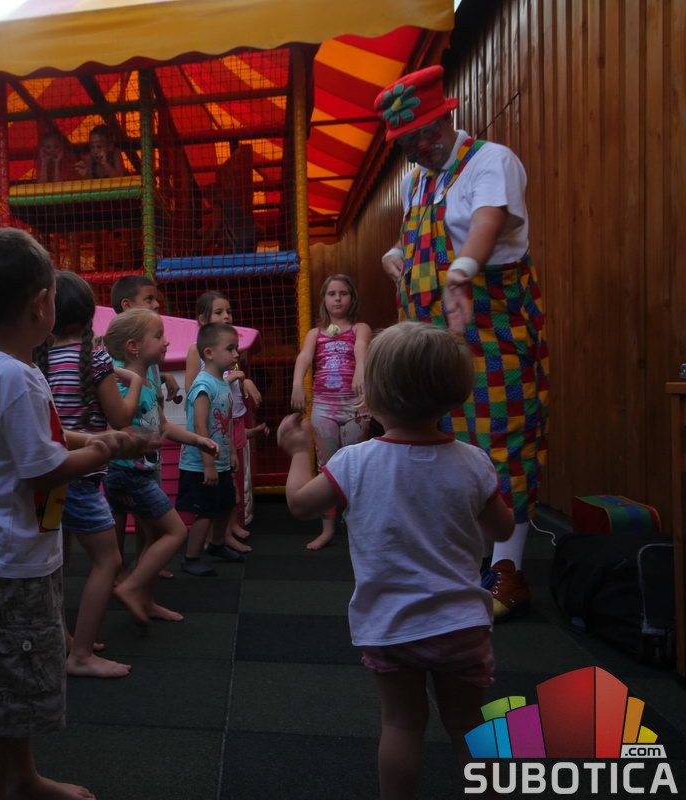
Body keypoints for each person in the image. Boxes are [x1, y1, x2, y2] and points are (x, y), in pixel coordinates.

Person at [278, 321, 514, 800]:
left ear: (374, 395)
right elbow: (503, 530)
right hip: (462, 624)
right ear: (454, 395)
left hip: (391, 625)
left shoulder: (353, 461)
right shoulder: (473, 462)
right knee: (469, 723)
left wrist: (300, 452)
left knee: (402, 724)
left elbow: (300, 504)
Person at [0, 228, 142, 800]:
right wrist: (100, 453)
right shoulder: (14, 377)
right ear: (41, 304)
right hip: (8, 562)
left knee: (16, 686)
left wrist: (89, 438)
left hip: (11, 552)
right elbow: (42, 469)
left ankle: (25, 777)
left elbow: (36, 440)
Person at [376, 66, 548, 620]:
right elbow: (415, 235)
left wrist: (462, 272)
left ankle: (507, 574)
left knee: (501, 442)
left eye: (418, 139)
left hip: (493, 332)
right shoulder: (419, 181)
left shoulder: (491, 162)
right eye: (404, 144)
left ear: (442, 122)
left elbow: (487, 224)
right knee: (442, 443)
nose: (413, 151)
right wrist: (396, 255)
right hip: (435, 338)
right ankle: (460, 563)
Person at [36, 271, 149, 679]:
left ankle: (63, 639)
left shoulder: (40, 359)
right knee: (108, 559)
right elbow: (120, 418)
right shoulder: (96, 359)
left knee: (57, 560)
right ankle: (80, 654)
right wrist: (135, 381)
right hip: (82, 481)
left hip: (50, 477)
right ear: (88, 314)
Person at [102, 309, 219, 619]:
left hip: (142, 472)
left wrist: (198, 440)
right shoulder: (124, 384)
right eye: (158, 336)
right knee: (175, 532)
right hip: (128, 474)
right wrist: (139, 440)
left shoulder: (148, 383)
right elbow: (117, 426)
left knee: (154, 536)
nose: (166, 342)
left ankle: (146, 599)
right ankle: (131, 586)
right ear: (133, 347)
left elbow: (163, 426)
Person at [290, 274, 372, 551]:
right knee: (327, 467)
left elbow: (362, 348)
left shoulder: (360, 328)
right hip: (324, 407)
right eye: (332, 294)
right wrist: (297, 384)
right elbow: (304, 357)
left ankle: (356, 526)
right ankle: (327, 529)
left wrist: (361, 369)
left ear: (352, 298)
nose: (337, 299)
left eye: (343, 293)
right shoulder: (316, 333)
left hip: (354, 406)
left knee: (355, 466)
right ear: (324, 299)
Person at [184, 291, 265, 552]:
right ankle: (217, 536)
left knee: (231, 480)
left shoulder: (227, 348)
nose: (226, 316)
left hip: (229, 419)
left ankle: (229, 527)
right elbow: (192, 389)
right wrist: (233, 378)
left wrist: (243, 380)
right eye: (219, 312)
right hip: (212, 424)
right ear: (202, 319)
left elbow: (233, 377)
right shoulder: (198, 352)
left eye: (228, 311)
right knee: (217, 485)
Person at [179, 323, 244, 576]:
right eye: (230, 348)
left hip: (221, 461)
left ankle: (217, 544)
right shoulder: (203, 386)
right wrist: (209, 465)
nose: (236, 354)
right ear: (209, 353)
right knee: (205, 511)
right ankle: (191, 557)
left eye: (236, 348)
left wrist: (232, 453)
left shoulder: (223, 383)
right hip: (201, 465)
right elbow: (200, 426)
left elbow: (226, 424)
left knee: (226, 504)